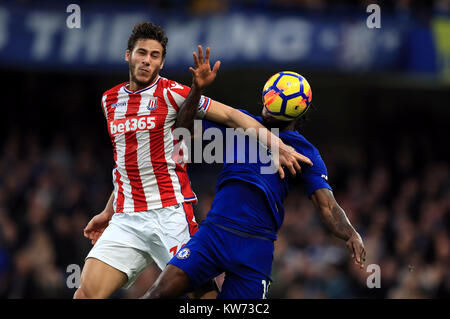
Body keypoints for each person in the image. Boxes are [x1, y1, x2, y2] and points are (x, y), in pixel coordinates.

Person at [74, 22, 311, 299]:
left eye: (154, 56)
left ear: (161, 62)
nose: (146, 60)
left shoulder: (173, 92)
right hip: (127, 217)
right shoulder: (110, 100)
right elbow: (128, 163)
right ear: (128, 55)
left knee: (203, 298)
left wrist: (277, 144)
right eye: (142, 53)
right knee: (86, 294)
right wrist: (108, 210)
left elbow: (233, 116)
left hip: (170, 215)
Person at [143, 76, 367, 299]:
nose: (266, 110)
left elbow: (327, 206)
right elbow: (183, 128)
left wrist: (351, 233)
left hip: (256, 248)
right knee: (157, 294)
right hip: (214, 234)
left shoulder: (304, 152)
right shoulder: (239, 123)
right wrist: (197, 90)